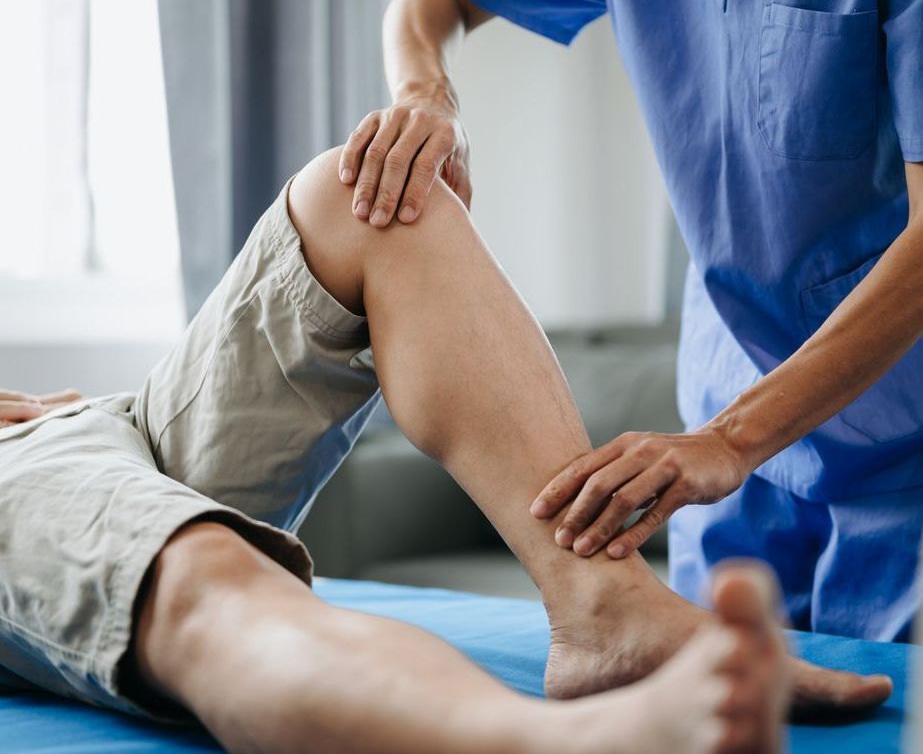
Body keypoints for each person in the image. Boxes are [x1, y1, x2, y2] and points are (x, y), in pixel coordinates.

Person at [0, 151, 891, 752]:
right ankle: (560, 743)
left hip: (81, 419)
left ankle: (602, 604)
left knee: (368, 193)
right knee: (201, 575)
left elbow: (433, 10)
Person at [339, 0, 923, 643]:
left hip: (899, 443)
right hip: (727, 410)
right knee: (714, 711)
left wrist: (731, 441)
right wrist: (426, 95)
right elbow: (428, 0)